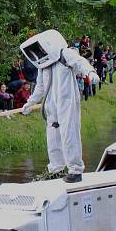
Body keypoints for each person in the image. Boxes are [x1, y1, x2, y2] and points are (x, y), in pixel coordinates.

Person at [20, 29, 99, 183]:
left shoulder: (64, 54)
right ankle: (56, 169)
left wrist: (90, 73)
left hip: (67, 103)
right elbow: (40, 88)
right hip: (51, 106)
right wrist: (29, 103)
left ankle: (75, 170)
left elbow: (80, 62)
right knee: (53, 137)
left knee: (69, 135)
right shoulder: (43, 65)